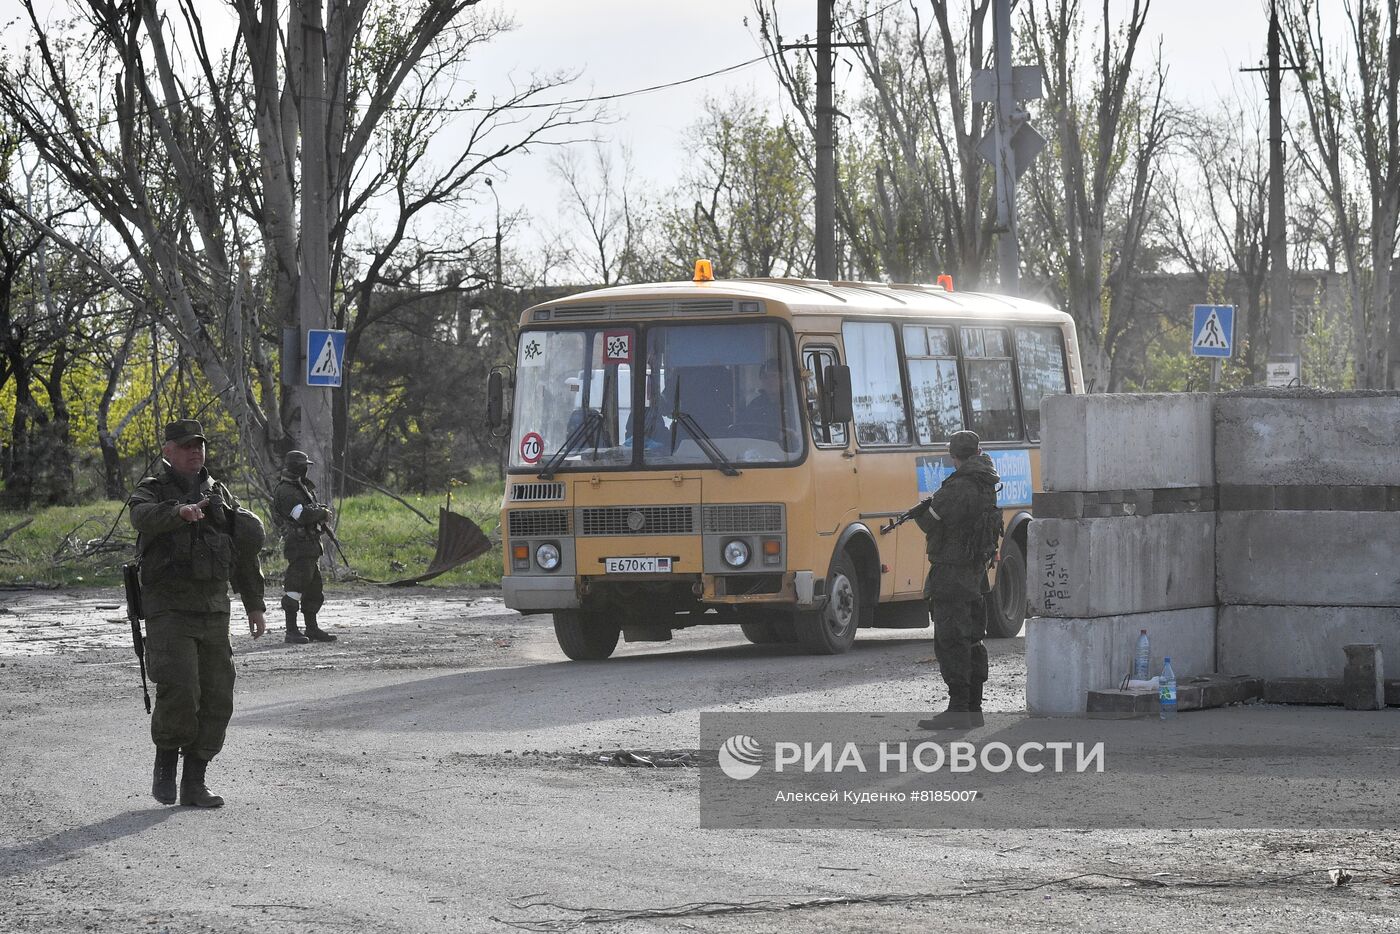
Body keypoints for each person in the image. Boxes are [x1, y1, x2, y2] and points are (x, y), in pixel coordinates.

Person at [129, 419, 267, 808]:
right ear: (168, 451)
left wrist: (254, 605)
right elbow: (141, 517)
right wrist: (180, 513)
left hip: (213, 610)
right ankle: (165, 769)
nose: (195, 451)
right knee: (181, 689)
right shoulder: (151, 490)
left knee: (218, 695)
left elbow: (243, 551)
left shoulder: (219, 494)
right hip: (169, 610)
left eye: (200, 445)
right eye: (187, 445)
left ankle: (195, 780)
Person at [912, 430, 1002, 730]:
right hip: (975, 574)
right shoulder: (986, 480)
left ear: (954, 456)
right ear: (978, 451)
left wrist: (923, 509)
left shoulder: (958, 486)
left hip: (952, 574)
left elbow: (929, 522)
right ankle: (973, 707)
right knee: (973, 640)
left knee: (952, 641)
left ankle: (959, 707)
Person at [272, 450, 336, 644]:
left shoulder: (300, 487)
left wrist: (319, 512)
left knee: (314, 589)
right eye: (302, 466)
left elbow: (309, 512)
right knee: (295, 587)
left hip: (310, 545)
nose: (304, 469)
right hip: (298, 545)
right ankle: (291, 630)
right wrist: (321, 513)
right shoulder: (286, 490)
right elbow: (301, 515)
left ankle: (312, 628)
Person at [739, 358, 782, 426]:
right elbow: (745, 429)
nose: (769, 381)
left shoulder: (793, 403)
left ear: (783, 379)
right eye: (765, 377)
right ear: (761, 380)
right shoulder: (754, 406)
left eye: (773, 376)